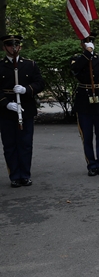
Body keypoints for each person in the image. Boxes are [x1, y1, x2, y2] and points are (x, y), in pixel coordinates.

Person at [69, 32, 99, 176]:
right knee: (87, 135)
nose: (88, 44)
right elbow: (75, 70)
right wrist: (87, 54)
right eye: (85, 42)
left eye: (90, 42)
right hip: (84, 100)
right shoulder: (77, 59)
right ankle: (91, 164)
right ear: (81, 44)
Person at [0, 34, 44, 187]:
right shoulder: (0, 65)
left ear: (20, 46)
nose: (13, 48)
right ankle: (14, 176)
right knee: (10, 145)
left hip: (26, 109)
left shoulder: (29, 65)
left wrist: (26, 89)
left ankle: (25, 175)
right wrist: (5, 103)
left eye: (16, 45)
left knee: (25, 144)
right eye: (10, 45)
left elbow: (40, 83)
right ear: (4, 47)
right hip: (6, 111)